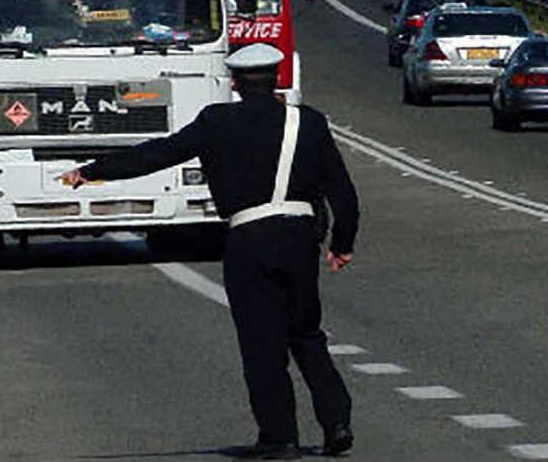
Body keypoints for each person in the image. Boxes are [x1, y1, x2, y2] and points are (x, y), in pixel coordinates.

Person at [59, 43, 358, 460]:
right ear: (276, 78)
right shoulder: (308, 123)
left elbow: (159, 153)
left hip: (249, 237)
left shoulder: (217, 121)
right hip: (299, 238)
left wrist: (91, 172)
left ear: (234, 82)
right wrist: (341, 243)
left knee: (261, 342)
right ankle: (337, 422)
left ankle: (280, 437)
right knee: (306, 333)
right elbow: (342, 191)